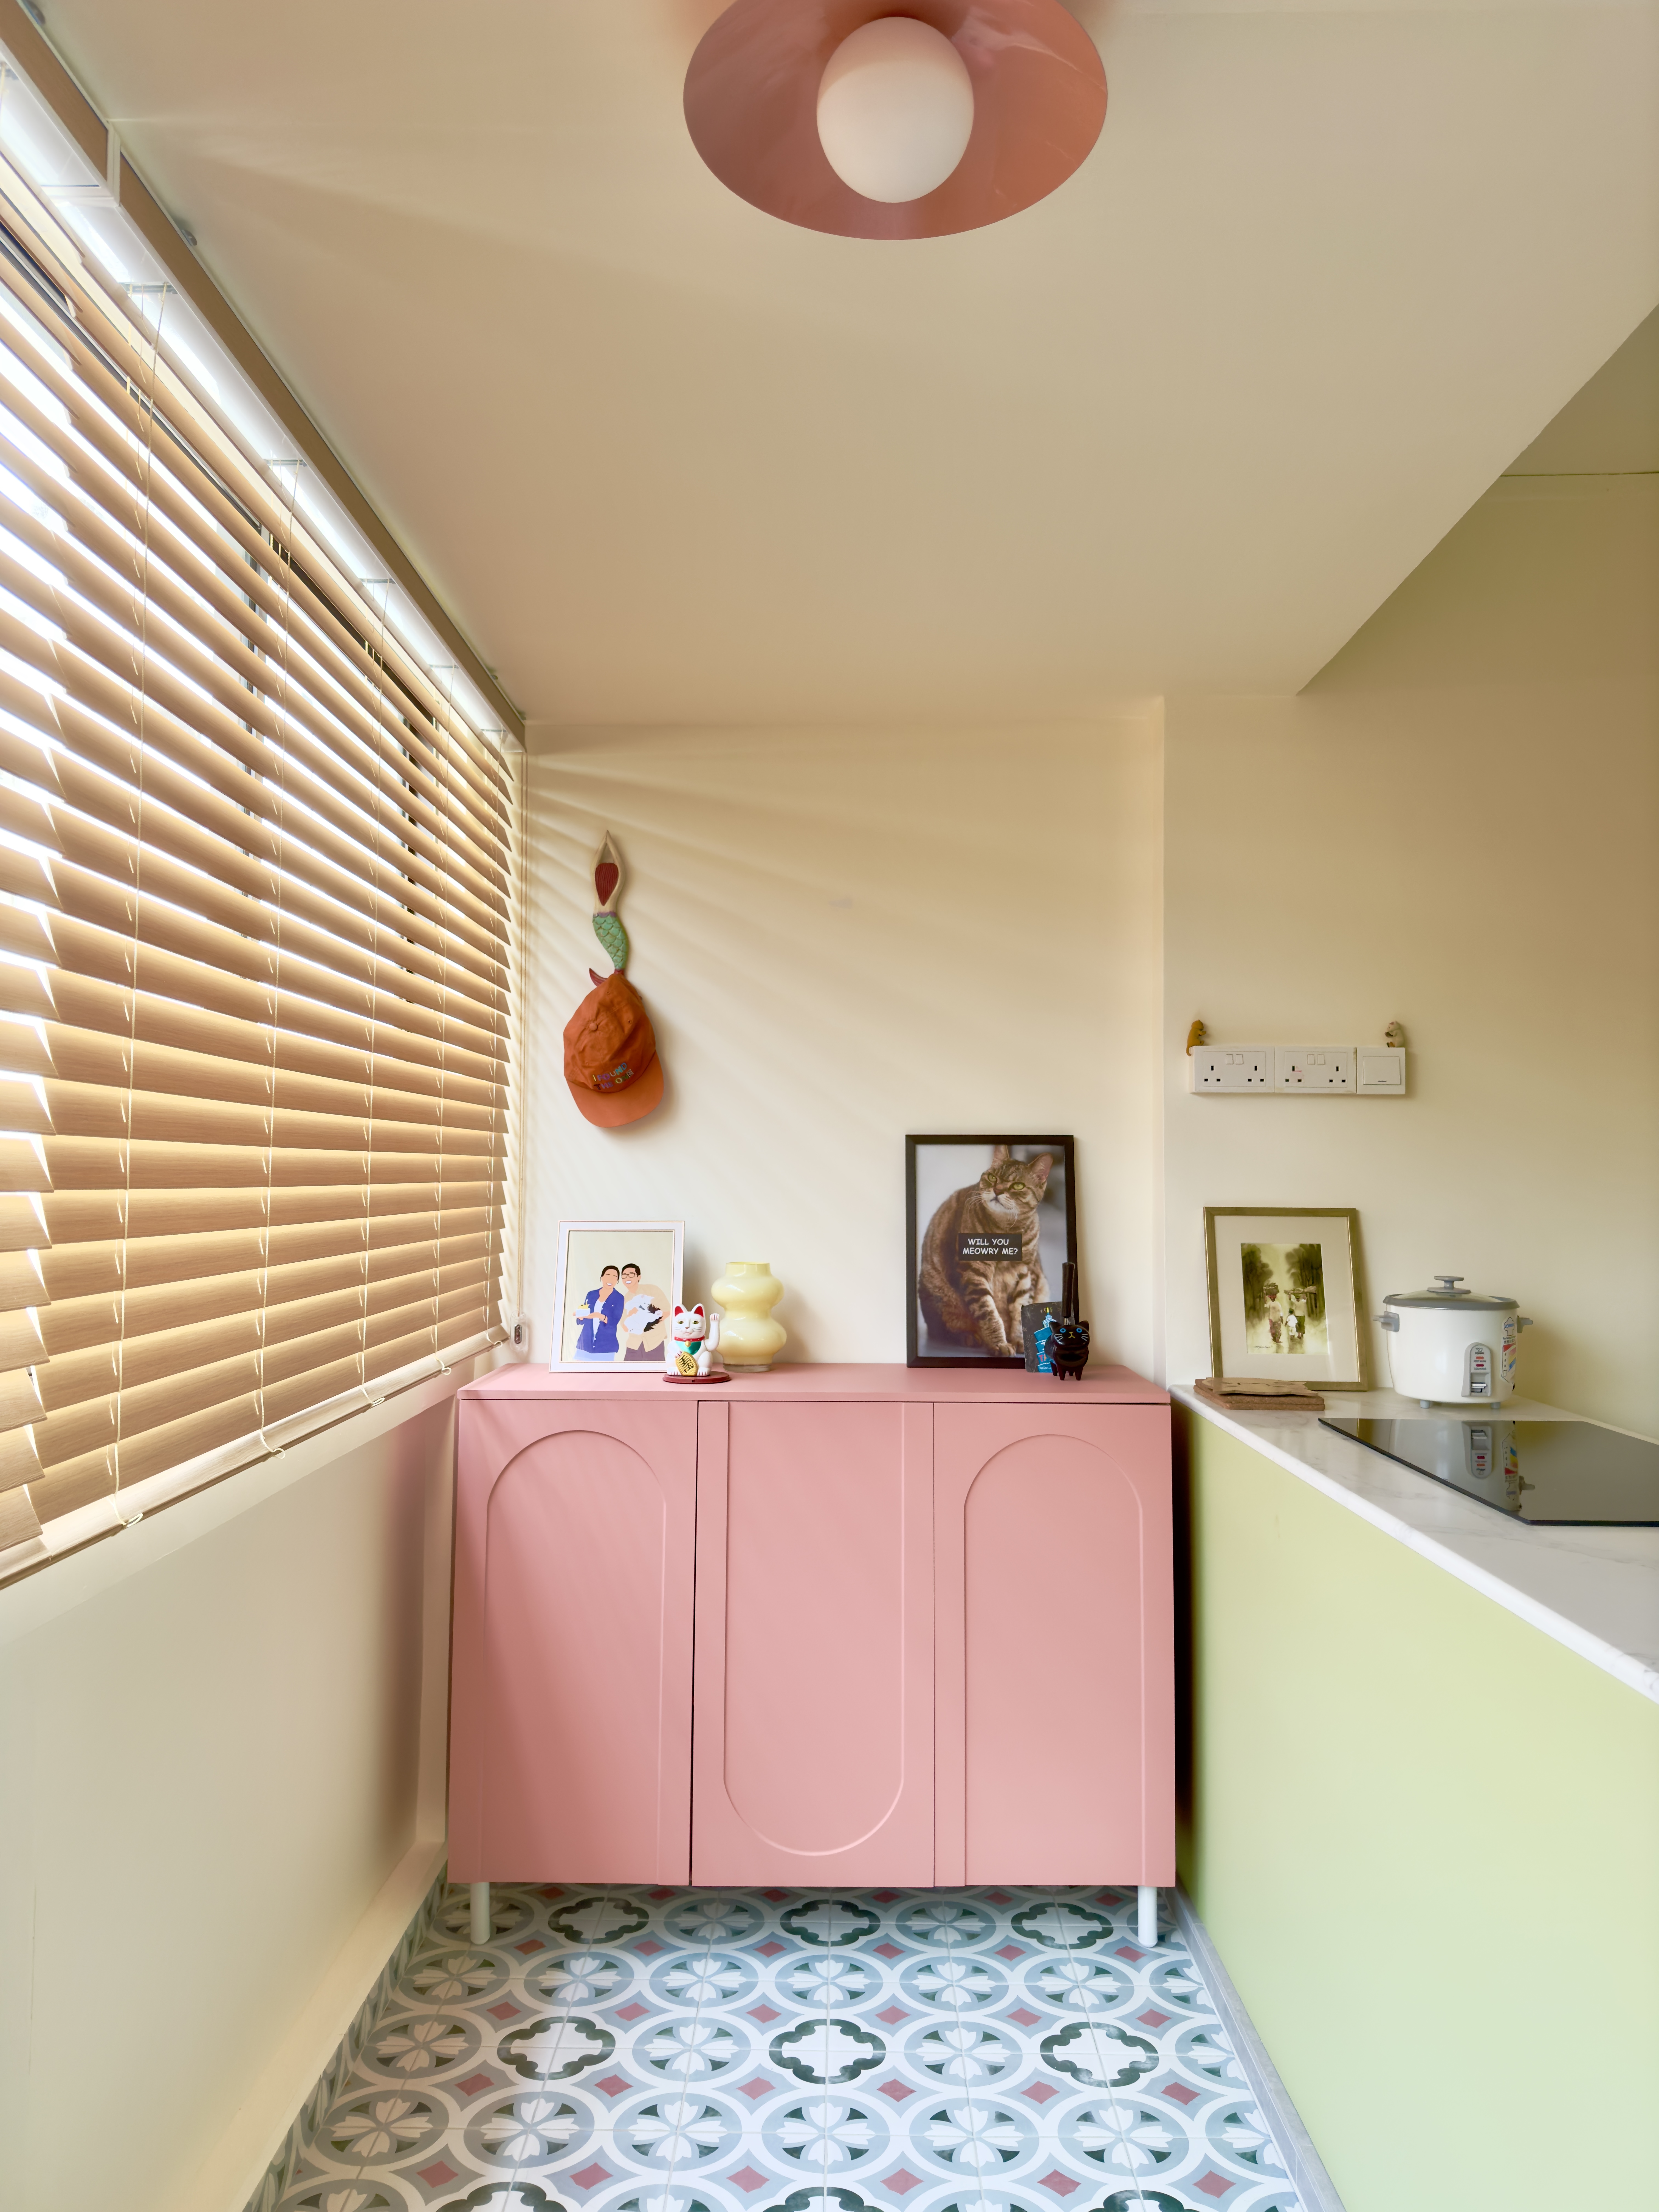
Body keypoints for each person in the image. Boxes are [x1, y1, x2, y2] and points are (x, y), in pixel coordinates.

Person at [573, 1265, 624, 1361]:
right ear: (602, 1278)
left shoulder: (619, 1298)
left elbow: (614, 1322)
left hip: (606, 1346)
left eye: (615, 1277)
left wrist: (602, 1317)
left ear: (618, 1281)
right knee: (580, 1372)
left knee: (604, 1375)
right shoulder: (591, 1295)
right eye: (608, 1275)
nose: (611, 1279)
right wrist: (580, 1317)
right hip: (585, 1344)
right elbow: (584, 1316)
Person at [617, 1263, 666, 1363]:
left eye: (631, 1274)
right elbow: (624, 1326)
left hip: (655, 1343)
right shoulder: (624, 1299)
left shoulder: (652, 1290)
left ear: (639, 1277)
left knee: (655, 1375)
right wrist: (630, 1315)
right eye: (624, 1275)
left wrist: (650, 1324)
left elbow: (667, 1311)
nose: (628, 1278)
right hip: (634, 1345)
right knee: (627, 1375)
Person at [1263, 1281, 1286, 1353]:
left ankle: (1278, 1340)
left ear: (1274, 1298)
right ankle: (1274, 1339)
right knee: (1272, 1330)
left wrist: (1282, 1318)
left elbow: (1281, 1310)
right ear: (1271, 1298)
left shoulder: (1278, 1304)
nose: (1272, 1299)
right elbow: (1266, 1305)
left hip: (1277, 1318)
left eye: (1273, 1298)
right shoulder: (1270, 1303)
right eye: (1271, 1298)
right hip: (1272, 1318)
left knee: (1278, 1329)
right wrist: (1265, 1296)